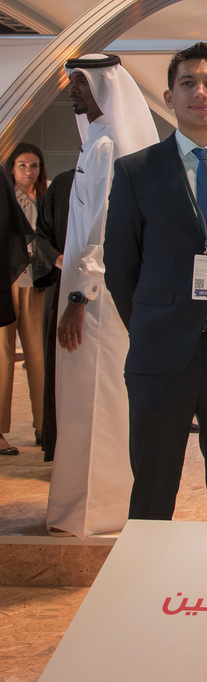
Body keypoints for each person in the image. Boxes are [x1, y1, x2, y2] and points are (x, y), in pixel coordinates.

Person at [105, 42, 207, 523]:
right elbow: (120, 265)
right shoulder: (136, 171)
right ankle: (147, 571)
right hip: (160, 352)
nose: (200, 92)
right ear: (169, 97)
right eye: (188, 83)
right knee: (153, 489)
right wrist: (154, 321)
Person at [47, 53, 157, 537]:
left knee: (97, 399)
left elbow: (104, 230)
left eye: (82, 82)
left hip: (96, 300)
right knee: (81, 400)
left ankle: (96, 512)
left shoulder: (110, 146)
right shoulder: (94, 142)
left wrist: (79, 298)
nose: (73, 90)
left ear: (104, 86)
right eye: (72, 82)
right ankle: (82, 507)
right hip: (83, 293)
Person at [0, 144, 46, 453]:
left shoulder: (45, 198)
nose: (28, 171)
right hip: (6, 279)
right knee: (2, 354)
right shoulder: (6, 196)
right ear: (12, 168)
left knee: (38, 353)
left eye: (34, 165)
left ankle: (43, 425)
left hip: (36, 280)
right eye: (22, 165)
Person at [31, 168, 74, 461]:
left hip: (109, 293)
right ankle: (60, 446)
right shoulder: (64, 183)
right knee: (60, 367)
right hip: (63, 285)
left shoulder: (125, 178)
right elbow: (42, 233)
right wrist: (58, 259)